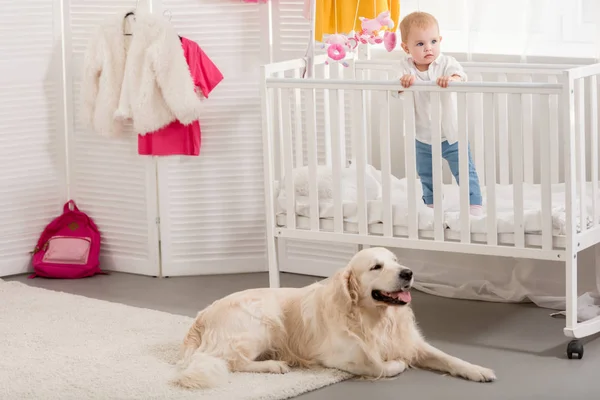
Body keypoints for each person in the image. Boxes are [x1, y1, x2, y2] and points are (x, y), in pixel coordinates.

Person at [392, 11, 483, 216]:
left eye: (433, 41)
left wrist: (453, 79)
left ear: (440, 40)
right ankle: (432, 203)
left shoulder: (446, 63)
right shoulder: (403, 68)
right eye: (420, 44)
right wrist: (402, 83)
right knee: (426, 173)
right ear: (406, 48)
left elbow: (461, 75)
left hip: (450, 133)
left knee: (463, 169)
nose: (428, 48)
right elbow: (393, 87)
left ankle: (474, 203)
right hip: (422, 135)